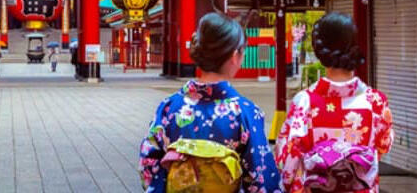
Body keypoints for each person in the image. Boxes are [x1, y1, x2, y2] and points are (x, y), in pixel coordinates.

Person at [139, 12, 281, 193]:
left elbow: (148, 164)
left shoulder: (168, 107)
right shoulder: (245, 112)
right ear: (234, 55)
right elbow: (262, 178)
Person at [275, 12, 393, 193]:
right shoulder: (375, 102)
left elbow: (288, 157)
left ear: (318, 50)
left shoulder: (305, 101)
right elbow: (384, 145)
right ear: (354, 46)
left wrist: (287, 182)